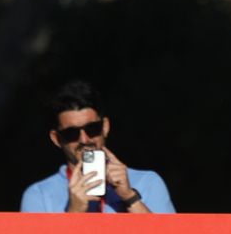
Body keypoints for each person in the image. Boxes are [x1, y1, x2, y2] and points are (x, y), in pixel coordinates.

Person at [20, 80, 175, 213]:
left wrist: (130, 197)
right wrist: (73, 213)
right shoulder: (38, 195)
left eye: (92, 128)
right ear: (56, 139)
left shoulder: (148, 182)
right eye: (71, 133)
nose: (84, 139)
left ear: (105, 127)